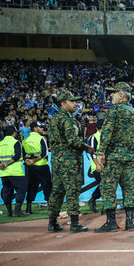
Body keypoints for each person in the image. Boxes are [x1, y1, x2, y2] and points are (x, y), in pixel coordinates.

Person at [95, 82, 134, 233]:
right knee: (129, 190)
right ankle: (130, 222)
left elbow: (106, 133)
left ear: (121, 95)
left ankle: (111, 222)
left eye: (114, 93)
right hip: (130, 159)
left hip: (114, 158)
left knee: (109, 189)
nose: (111, 96)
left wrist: (101, 153)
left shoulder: (114, 111)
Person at [47, 89, 94, 233]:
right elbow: (73, 141)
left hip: (57, 159)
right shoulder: (66, 119)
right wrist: (87, 148)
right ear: (63, 103)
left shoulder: (55, 118)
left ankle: (52, 222)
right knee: (72, 191)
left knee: (57, 191)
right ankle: (74, 223)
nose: (75, 103)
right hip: (69, 160)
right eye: (72, 101)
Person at [0, 126, 28, 217]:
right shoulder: (16, 142)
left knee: (7, 191)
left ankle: (9, 212)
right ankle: (17, 211)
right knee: (22, 189)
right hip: (15, 171)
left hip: (3, 173)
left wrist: (1, 165)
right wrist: (7, 164)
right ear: (13, 133)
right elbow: (17, 156)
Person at [22, 121, 52, 214]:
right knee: (47, 186)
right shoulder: (41, 138)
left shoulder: (25, 140)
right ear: (35, 128)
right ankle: (51, 208)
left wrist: (28, 161)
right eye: (40, 127)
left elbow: (23, 155)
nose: (41, 129)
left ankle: (28, 208)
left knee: (31, 187)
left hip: (30, 168)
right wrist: (34, 160)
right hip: (42, 166)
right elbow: (44, 153)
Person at [86, 120, 103, 214]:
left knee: (107, 185)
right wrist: (97, 164)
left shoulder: (106, 137)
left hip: (105, 165)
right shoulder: (93, 137)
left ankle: (94, 200)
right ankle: (93, 199)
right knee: (104, 184)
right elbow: (92, 152)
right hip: (97, 166)